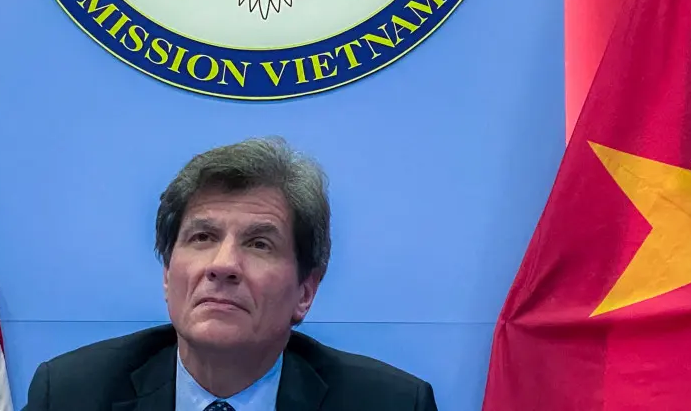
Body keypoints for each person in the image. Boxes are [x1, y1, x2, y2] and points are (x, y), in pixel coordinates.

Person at [22, 136, 439, 410]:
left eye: (259, 244)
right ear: (168, 274)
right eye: (202, 237)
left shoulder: (391, 403)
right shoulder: (69, 395)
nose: (222, 265)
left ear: (305, 292)